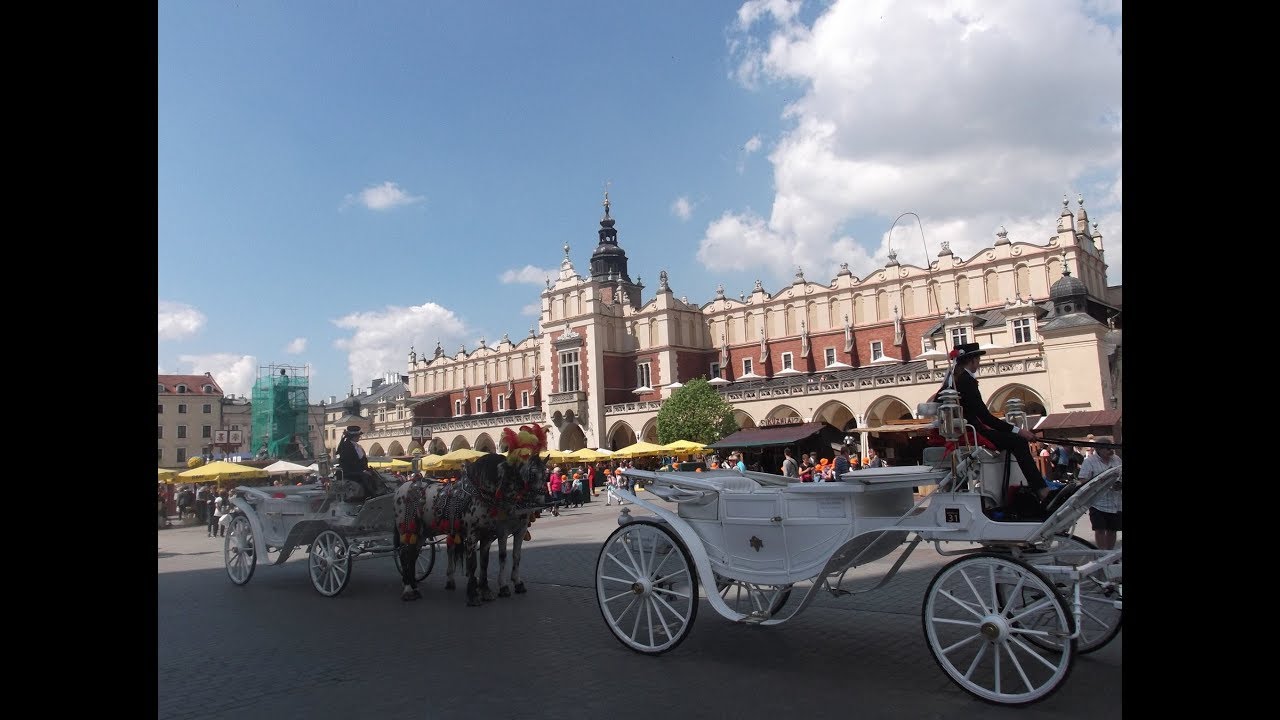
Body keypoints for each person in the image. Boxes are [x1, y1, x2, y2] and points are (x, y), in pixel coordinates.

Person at [946, 342, 1050, 500]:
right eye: (978, 360)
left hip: (970, 428)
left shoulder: (955, 378)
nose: (979, 363)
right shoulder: (966, 381)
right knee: (1018, 442)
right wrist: (1019, 430)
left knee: (1012, 440)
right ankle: (1040, 489)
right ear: (973, 360)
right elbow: (985, 416)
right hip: (972, 431)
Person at [1078, 436, 1122, 550]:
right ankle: (1102, 553)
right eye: (1107, 449)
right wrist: (1100, 483)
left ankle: (1109, 554)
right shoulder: (1089, 461)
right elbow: (1083, 480)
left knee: (1112, 530)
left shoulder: (1116, 459)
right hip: (1097, 502)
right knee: (1100, 529)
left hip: (1115, 502)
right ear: (1099, 449)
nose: (1111, 451)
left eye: (1111, 448)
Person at [335, 425, 382, 500]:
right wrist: (362, 471)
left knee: (374, 474)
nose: (359, 437)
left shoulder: (355, 446)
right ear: (354, 436)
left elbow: (362, 460)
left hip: (356, 469)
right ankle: (370, 496)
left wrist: (366, 469)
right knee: (366, 476)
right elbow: (350, 463)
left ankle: (376, 493)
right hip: (349, 471)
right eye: (358, 436)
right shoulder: (346, 446)